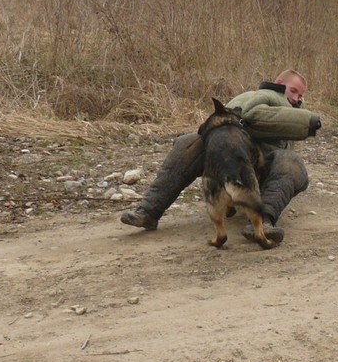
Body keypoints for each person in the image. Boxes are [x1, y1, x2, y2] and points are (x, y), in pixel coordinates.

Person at [120, 69, 321, 244]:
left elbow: (252, 117)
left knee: (290, 162)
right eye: (293, 91)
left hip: (262, 167)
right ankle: (148, 211)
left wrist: (305, 121)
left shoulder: (290, 112)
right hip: (229, 156)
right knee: (188, 143)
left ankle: (264, 221)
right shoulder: (259, 97)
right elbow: (247, 114)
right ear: (279, 83)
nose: (296, 98)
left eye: (300, 95)